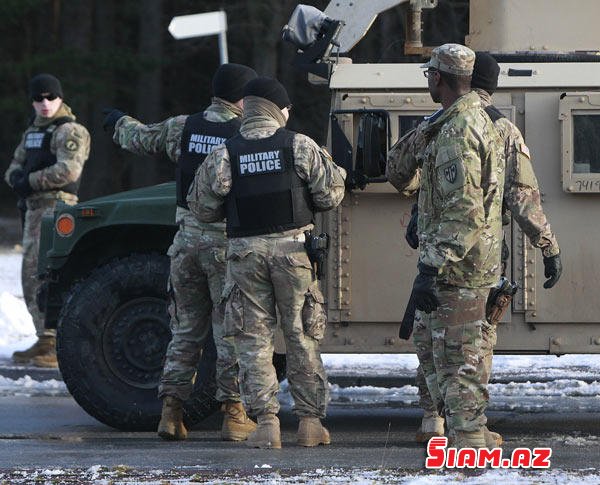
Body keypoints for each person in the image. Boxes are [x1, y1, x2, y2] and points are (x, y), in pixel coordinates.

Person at [408, 52, 563, 446]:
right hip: (476, 257)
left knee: (434, 340)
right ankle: (468, 432)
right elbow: (522, 197)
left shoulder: (439, 124)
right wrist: (547, 245)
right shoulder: (501, 128)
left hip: (438, 251)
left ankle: (437, 419)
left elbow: (410, 176)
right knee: (468, 348)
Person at [188, 77, 347, 448]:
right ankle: (310, 424)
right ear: (278, 110)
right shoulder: (301, 146)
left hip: (245, 256)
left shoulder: (225, 153)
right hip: (294, 254)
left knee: (253, 342)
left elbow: (202, 208)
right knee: (302, 337)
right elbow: (331, 195)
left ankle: (266, 425)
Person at [104, 63, 258, 442]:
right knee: (230, 332)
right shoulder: (245, 132)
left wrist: (117, 121)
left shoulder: (183, 127)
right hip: (226, 244)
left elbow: (140, 138)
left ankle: (171, 414)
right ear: (241, 97)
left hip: (185, 243)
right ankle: (235, 415)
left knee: (186, 330)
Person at [386, 44, 505, 449]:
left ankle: (469, 442)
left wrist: (430, 268)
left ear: (439, 78)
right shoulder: (462, 120)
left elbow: (465, 211)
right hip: (462, 264)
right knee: (441, 355)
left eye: (429, 76)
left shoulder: (458, 131)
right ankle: (469, 432)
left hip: (458, 270)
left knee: (458, 360)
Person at [5, 74, 90, 368]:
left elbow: (69, 170)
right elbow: (15, 165)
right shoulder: (32, 132)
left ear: (61, 98)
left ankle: (57, 343)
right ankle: (44, 338)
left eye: (50, 97)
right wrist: (16, 179)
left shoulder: (69, 130)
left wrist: (29, 181)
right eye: (39, 98)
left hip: (57, 210)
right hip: (33, 210)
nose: (45, 104)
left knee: (50, 275)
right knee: (30, 277)